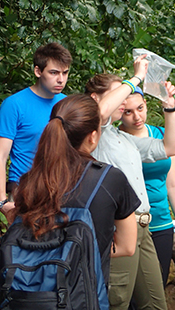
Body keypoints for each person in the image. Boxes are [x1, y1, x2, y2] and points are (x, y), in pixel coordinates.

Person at [85, 58, 175, 310]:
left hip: (144, 228)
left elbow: (170, 147)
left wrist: (168, 107)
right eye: (121, 93)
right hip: (118, 228)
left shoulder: (121, 137)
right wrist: (136, 78)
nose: (126, 101)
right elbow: (101, 114)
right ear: (96, 98)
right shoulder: (95, 133)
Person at [9, 93, 138, 290]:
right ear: (93, 136)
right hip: (81, 300)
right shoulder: (109, 178)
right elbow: (127, 247)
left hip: (26, 300)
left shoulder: (30, 180)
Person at [0, 42, 72, 217]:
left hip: (61, 189)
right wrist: (2, 202)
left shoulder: (67, 104)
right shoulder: (14, 104)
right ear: (38, 71)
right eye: (54, 72)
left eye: (65, 73)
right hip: (24, 189)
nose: (61, 79)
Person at [120, 87, 175, 286]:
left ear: (147, 105)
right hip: (129, 223)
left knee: (157, 286)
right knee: (130, 294)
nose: (136, 116)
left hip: (161, 222)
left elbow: (173, 183)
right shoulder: (115, 140)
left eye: (140, 108)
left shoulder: (161, 135)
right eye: (128, 112)